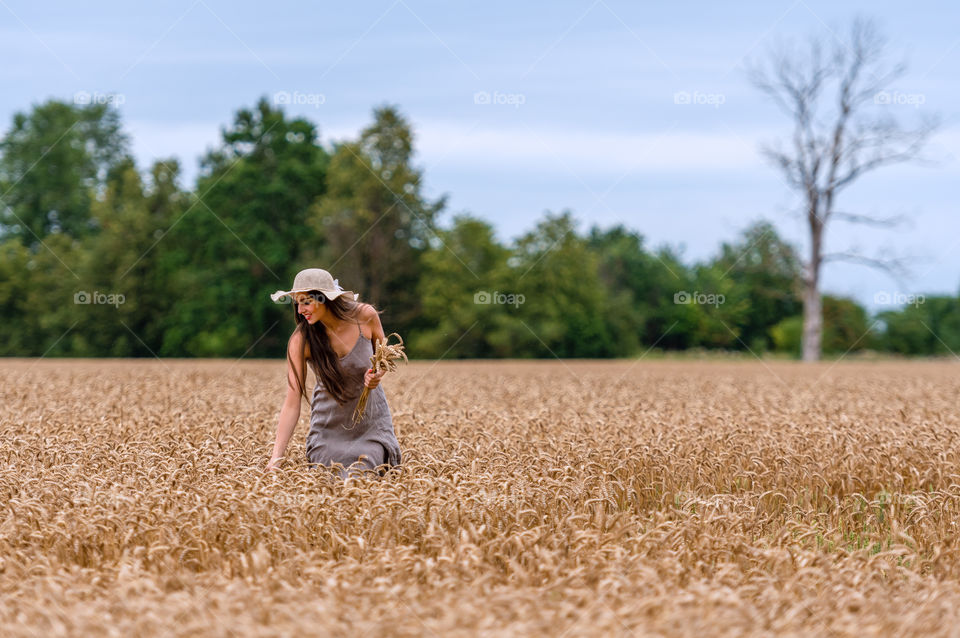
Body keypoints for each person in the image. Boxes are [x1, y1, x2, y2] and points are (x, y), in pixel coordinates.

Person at [265, 268, 402, 479]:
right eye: (297, 303)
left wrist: (376, 375)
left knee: (363, 480)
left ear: (326, 299)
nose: (300, 310)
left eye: (306, 302)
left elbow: (384, 357)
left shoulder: (365, 316)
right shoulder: (301, 341)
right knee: (330, 486)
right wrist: (276, 457)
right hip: (327, 433)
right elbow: (292, 401)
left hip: (371, 428)